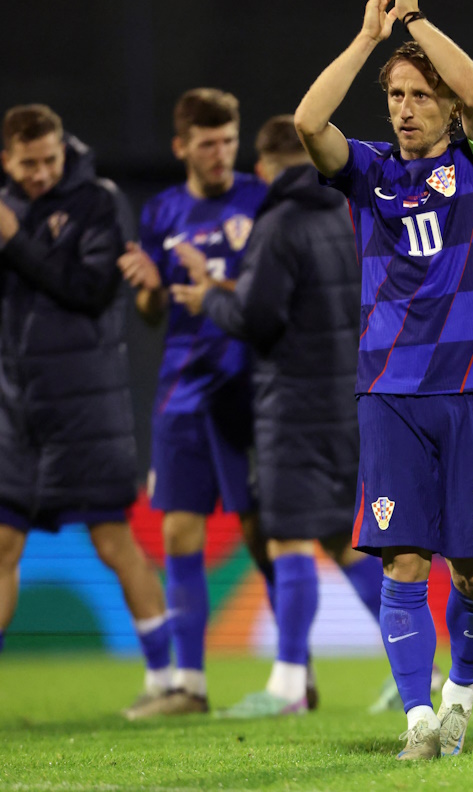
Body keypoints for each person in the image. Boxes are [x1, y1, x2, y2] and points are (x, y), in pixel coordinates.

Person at [294, 0, 473, 760]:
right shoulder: (370, 173)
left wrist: (416, 17)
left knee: (472, 575)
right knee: (402, 563)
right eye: (395, 95)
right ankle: (420, 719)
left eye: (420, 96)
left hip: (471, 388)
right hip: (389, 391)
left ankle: (460, 697)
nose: (404, 109)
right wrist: (366, 39)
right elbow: (308, 124)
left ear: (447, 109)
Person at [170, 115, 397, 718]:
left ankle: (291, 683)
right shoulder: (355, 212)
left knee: (289, 535)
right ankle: (413, 667)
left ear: (267, 166)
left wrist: (210, 297)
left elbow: (258, 318)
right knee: (343, 540)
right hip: (354, 396)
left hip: (293, 404)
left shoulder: (278, 224)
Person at [0, 105, 171, 710]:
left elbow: (91, 290)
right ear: (7, 160)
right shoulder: (8, 205)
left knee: (111, 538)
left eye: (49, 159)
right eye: (28, 164)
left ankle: (165, 679)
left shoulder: (98, 200)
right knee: (3, 544)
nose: (42, 172)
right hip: (18, 408)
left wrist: (15, 239)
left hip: (86, 406)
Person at [116, 88, 268, 718]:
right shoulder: (161, 211)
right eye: (207, 143)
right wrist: (149, 289)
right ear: (181, 146)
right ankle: (191, 685)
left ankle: (295, 673)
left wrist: (219, 286)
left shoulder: (261, 199)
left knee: (272, 533)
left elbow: (276, 291)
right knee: (179, 529)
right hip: (182, 388)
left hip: (250, 386)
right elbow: (152, 312)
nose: (220, 154)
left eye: (229, 140)